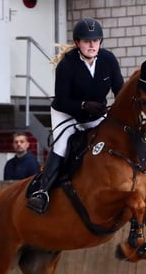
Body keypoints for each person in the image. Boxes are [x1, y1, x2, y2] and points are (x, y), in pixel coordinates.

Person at [26, 17, 124, 214]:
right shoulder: (67, 65)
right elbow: (62, 100)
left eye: (95, 40)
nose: (92, 45)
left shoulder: (109, 60)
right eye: (87, 41)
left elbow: (119, 90)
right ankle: (43, 191)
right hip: (66, 113)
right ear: (78, 43)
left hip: (95, 114)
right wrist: (83, 105)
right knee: (62, 146)